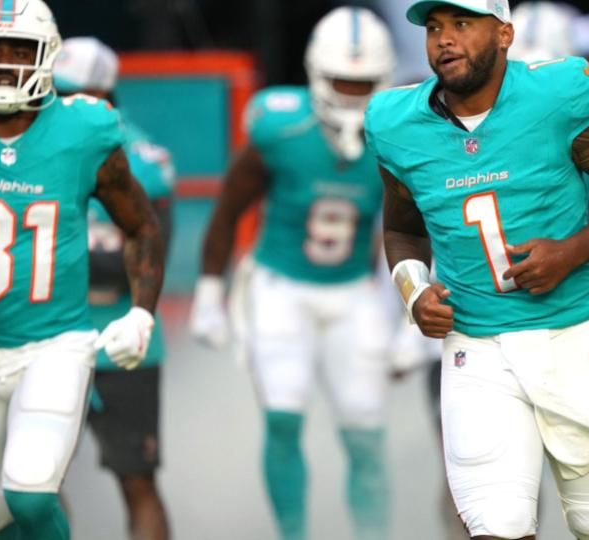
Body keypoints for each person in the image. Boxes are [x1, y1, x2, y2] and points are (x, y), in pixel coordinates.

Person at [366, 1, 589, 538]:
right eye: (434, 27)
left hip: (572, 332)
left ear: (504, 33)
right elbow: (401, 230)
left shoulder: (556, 97)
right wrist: (413, 292)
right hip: (475, 344)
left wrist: (570, 251)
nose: (444, 39)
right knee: (497, 525)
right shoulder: (397, 123)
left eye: (462, 23)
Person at [0, 1, 165, 539]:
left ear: (46, 56)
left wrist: (141, 312)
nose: (3, 63)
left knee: (29, 492)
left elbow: (141, 227)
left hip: (55, 345)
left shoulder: (85, 129)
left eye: (19, 50)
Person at [190, 7, 396, 540]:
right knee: (283, 419)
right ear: (315, 74)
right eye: (342, 82)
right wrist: (210, 292)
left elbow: (420, 225)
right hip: (281, 288)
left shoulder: (397, 134)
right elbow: (229, 207)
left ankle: (373, 533)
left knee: (365, 434)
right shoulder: (281, 126)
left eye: (364, 84)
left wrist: (408, 314)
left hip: (355, 292)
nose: (352, 97)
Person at [53, 37, 174, 540]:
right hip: (46, 339)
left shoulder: (140, 156)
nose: (57, 104)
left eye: (72, 93)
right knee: (31, 483)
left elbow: (152, 250)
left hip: (121, 337)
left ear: (104, 96)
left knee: (137, 478)